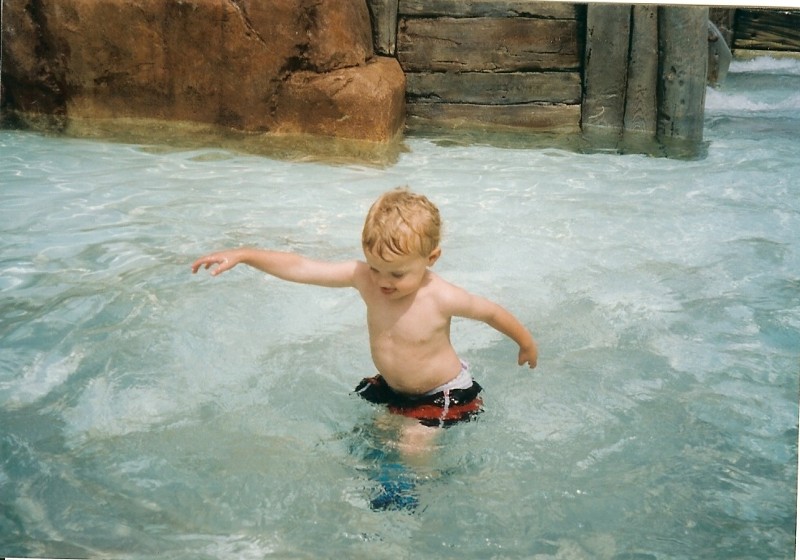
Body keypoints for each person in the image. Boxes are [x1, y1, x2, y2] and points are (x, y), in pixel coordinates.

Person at [191, 187, 538, 429]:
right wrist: (245, 255)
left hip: (442, 392)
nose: (384, 282)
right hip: (394, 386)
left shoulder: (440, 296)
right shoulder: (364, 280)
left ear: (431, 259)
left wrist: (525, 343)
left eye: (398, 273)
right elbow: (301, 267)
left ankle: (411, 503)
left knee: (412, 443)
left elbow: (490, 311)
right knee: (371, 433)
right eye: (375, 267)